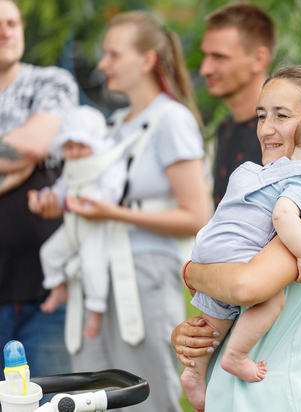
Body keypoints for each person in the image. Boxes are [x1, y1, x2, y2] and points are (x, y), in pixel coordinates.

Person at [172, 65, 301, 412]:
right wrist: (192, 336)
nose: (266, 129)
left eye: (282, 115)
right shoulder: (270, 200)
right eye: (262, 116)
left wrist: (190, 272)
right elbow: (229, 294)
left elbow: (246, 286)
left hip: (283, 397)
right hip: (239, 394)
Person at [57, 11, 211, 412]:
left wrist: (112, 214)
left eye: (112, 53)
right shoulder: (115, 124)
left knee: (145, 399)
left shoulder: (172, 120)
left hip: (144, 273)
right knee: (90, 396)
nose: (102, 63)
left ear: (146, 61)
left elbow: (197, 214)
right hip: (96, 276)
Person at [0, 0, 79, 379]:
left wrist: (28, 152)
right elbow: (26, 149)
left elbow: (33, 144)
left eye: (12, 22)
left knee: (48, 401)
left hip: (47, 293)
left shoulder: (51, 82)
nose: (6, 32)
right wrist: (16, 161)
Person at [28, 105, 126, 339]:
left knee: (93, 267)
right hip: (72, 224)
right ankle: (57, 288)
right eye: (69, 147)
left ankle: (95, 311)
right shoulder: (71, 166)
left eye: (81, 145)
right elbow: (62, 189)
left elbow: (113, 191)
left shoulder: (108, 161)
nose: (74, 152)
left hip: (94, 225)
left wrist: (92, 202)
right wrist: (46, 196)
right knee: (49, 253)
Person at [199, 2, 277, 207]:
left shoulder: (287, 130)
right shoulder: (225, 128)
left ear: (258, 59)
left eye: (219, 57)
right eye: (205, 56)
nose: (205, 69)